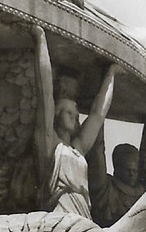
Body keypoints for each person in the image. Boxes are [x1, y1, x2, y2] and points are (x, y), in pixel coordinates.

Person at [31, 24, 117, 219]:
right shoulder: (50, 144)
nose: (75, 117)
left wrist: (111, 73)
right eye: (68, 112)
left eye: (76, 114)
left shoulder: (78, 148)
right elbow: (45, 94)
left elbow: (97, 114)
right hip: (59, 214)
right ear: (56, 114)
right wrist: (41, 41)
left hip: (83, 214)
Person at [86, 111, 146, 228]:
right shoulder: (106, 190)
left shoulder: (144, 192)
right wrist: (100, 111)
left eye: (135, 171)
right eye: (128, 170)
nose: (132, 174)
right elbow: (97, 152)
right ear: (117, 170)